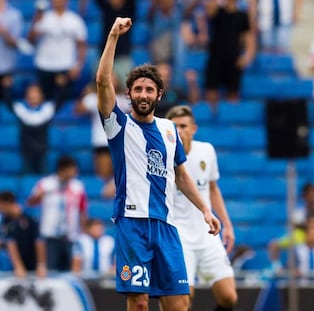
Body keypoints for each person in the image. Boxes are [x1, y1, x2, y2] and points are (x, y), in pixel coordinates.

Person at [95, 17, 221, 311]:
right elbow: (102, 81)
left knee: (179, 305)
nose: (143, 94)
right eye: (137, 89)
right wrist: (113, 35)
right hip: (133, 225)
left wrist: (205, 209)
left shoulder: (169, 130)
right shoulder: (119, 126)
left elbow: (181, 174)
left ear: (159, 95)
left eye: (149, 90)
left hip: (166, 226)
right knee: (139, 304)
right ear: (128, 94)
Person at [165, 105, 237, 310]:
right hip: (179, 237)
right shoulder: (162, 156)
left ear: (193, 128)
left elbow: (213, 188)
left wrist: (228, 225)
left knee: (229, 297)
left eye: (183, 126)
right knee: (183, 301)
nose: (179, 130)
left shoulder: (206, 150)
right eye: (175, 126)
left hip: (207, 235)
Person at [26, 155, 88, 272]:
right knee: (52, 270)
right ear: (63, 169)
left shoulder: (78, 187)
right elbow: (30, 203)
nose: (75, 172)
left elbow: (82, 210)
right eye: (72, 169)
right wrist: (39, 194)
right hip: (51, 236)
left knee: (70, 271)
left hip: (70, 236)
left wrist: (83, 231)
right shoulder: (46, 184)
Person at [27, 0, 88, 101]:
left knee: (63, 100)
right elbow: (30, 40)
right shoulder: (44, 18)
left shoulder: (74, 20)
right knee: (45, 100)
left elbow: (82, 45)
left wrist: (78, 65)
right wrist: (35, 20)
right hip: (44, 65)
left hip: (65, 66)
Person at [203, 0, 256, 109]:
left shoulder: (242, 15)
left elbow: (249, 38)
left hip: (234, 60)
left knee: (233, 95)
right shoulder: (217, 11)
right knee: (211, 93)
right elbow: (209, 9)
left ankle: (232, 121)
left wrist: (246, 58)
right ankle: (212, 120)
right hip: (215, 59)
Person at [3, 82, 65, 174]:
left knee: (44, 178)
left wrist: (62, 85)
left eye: (36, 93)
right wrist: (6, 87)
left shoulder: (47, 110)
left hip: (42, 152)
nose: (33, 96)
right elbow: (7, 100)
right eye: (30, 93)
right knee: (26, 180)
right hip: (26, 153)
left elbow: (61, 99)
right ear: (26, 97)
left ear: (42, 96)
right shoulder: (21, 110)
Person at [0, 191, 47, 278]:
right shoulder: (6, 220)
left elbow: (39, 242)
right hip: (17, 267)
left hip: (32, 263)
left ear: (6, 203)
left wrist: (41, 265)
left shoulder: (29, 216)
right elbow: (9, 243)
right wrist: (18, 266)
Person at [0, 0, 24, 103]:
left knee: (7, 103)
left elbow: (15, 44)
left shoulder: (14, 15)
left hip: (6, 67)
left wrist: (4, 32)